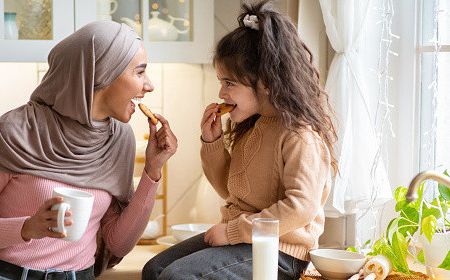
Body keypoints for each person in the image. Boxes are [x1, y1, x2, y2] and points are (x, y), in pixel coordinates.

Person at [142, 0, 338, 279]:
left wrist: (234, 230)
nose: (221, 93)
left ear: (267, 82)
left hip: (281, 253)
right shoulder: (252, 126)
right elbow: (230, 190)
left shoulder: (300, 135)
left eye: (229, 83)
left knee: (177, 276)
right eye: (221, 82)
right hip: (245, 241)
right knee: (155, 269)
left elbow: (300, 207)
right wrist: (212, 144)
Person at [0, 21, 177, 279]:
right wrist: (27, 228)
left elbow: (118, 244)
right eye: (139, 73)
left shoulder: (119, 140)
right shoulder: (15, 131)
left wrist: (153, 170)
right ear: (102, 73)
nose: (148, 85)